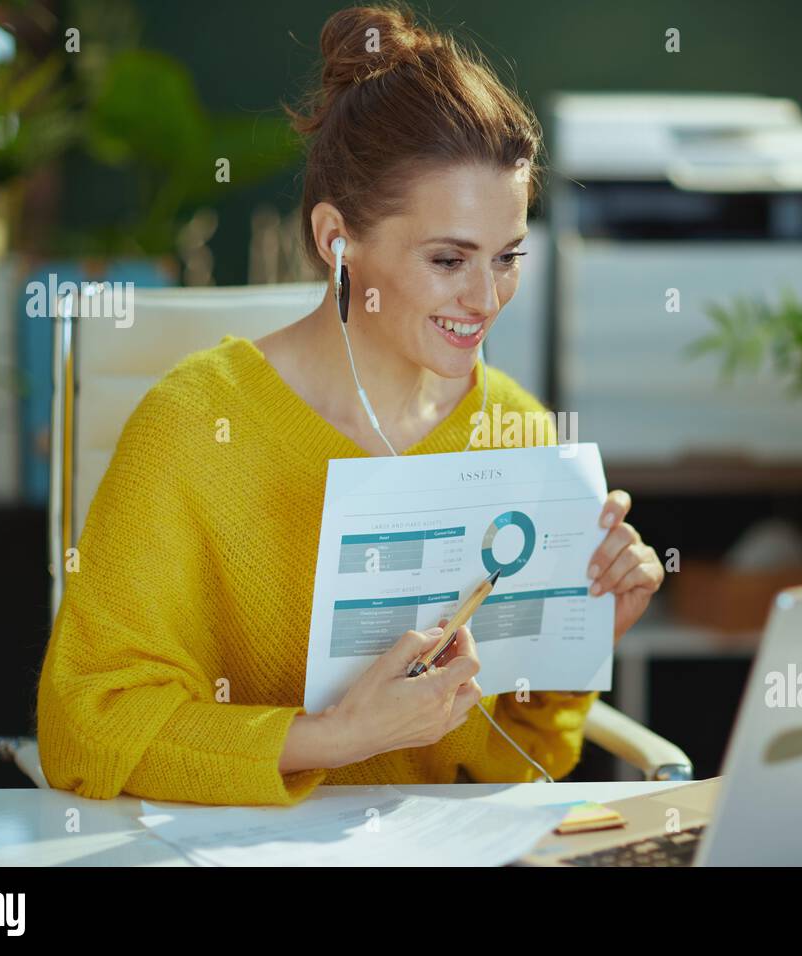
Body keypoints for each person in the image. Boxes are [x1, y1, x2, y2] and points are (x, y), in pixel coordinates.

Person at [36, 2, 665, 806]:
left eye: (507, 257)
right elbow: (85, 726)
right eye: (448, 259)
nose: (486, 298)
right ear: (338, 240)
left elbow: (522, 758)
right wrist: (338, 737)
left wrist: (581, 638)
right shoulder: (194, 423)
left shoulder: (516, 430)